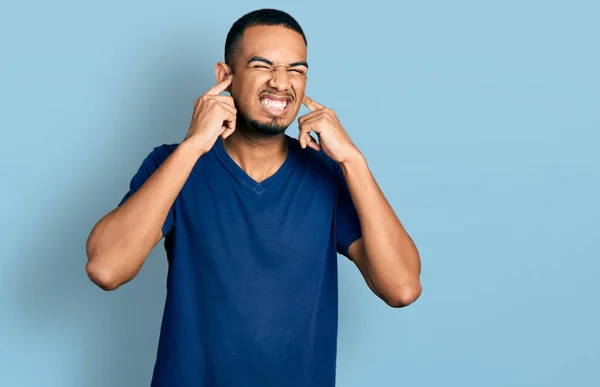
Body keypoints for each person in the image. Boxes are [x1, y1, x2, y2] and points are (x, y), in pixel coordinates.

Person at [85, 8, 421, 387]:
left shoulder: (329, 175)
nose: (282, 83)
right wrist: (195, 144)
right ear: (224, 76)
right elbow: (106, 269)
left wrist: (353, 161)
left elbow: (402, 287)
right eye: (263, 66)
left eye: (296, 70)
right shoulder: (172, 165)